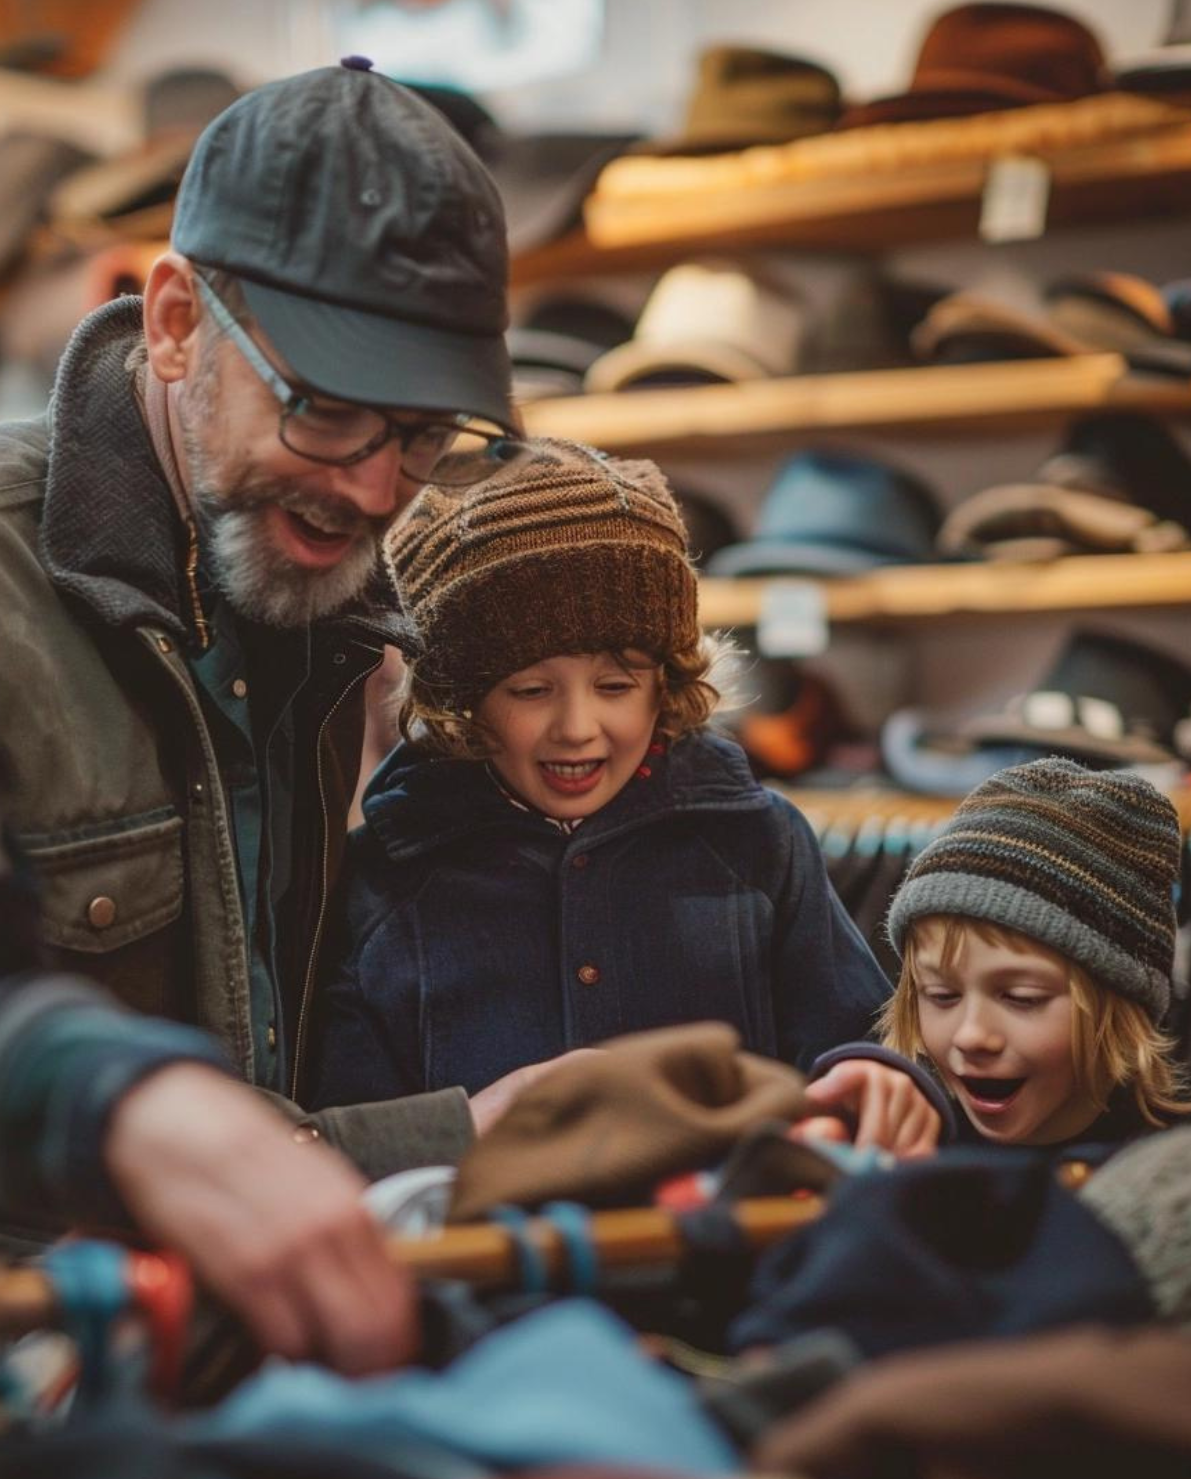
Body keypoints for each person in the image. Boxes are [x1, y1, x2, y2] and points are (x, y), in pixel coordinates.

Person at [0, 57, 573, 1369]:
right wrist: (120, 1102)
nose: (373, 491)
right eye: (323, 411)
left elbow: (261, 1100)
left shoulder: (322, 615)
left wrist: (469, 1135)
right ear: (176, 323)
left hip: (216, 1360)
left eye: (423, 437)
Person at [311, 437, 947, 1153]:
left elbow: (856, 1036)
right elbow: (355, 1137)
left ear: (667, 685)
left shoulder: (756, 842)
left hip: (730, 1253)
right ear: (459, 700)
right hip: (487, 1256)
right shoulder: (381, 882)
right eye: (529, 690)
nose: (578, 728)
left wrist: (876, 1074)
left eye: (616, 686)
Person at [879, 754, 1191, 1152]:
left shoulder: (1167, 1175)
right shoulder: (902, 1148)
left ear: (1121, 1000)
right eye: (942, 995)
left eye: (1022, 998)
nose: (972, 1035)